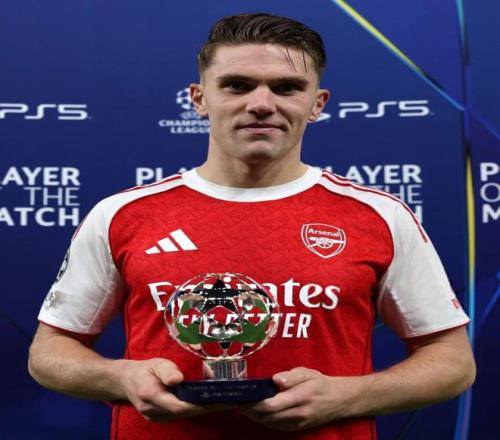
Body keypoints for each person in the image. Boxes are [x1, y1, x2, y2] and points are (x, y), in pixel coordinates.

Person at [28, 13, 475, 440]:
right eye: (237, 85)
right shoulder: (122, 214)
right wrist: (120, 377)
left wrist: (345, 397)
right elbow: (49, 353)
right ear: (199, 99)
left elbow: (454, 363)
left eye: (287, 88)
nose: (261, 104)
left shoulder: (378, 216)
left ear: (317, 104)